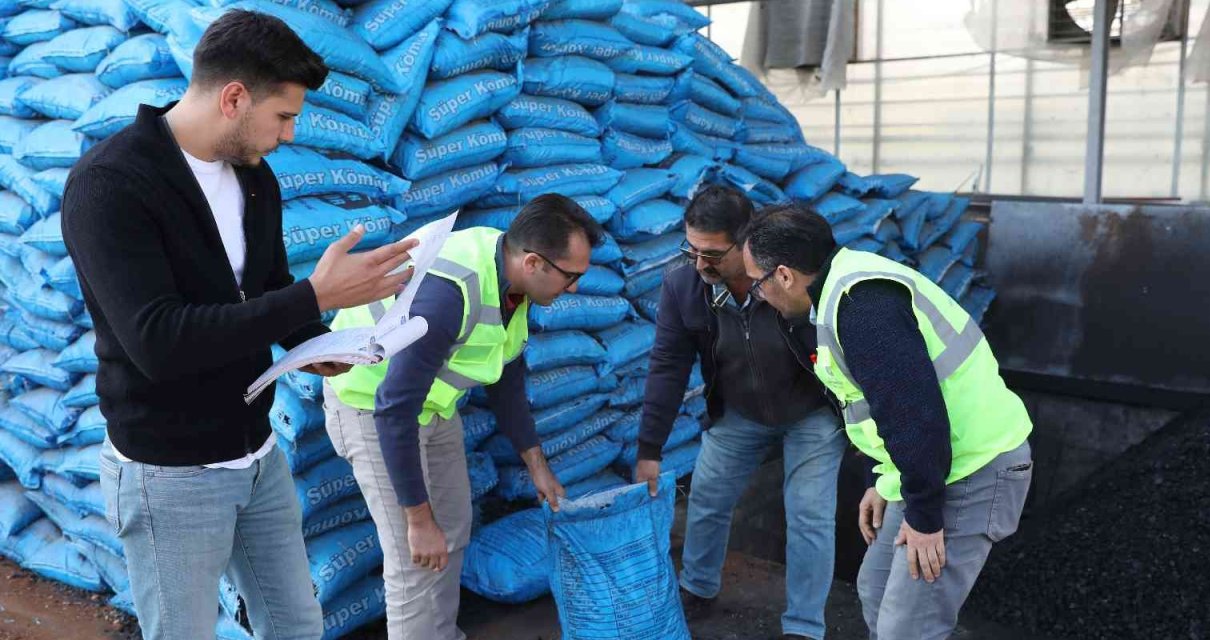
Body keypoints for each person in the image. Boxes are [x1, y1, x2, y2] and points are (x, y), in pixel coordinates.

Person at [60, 10, 419, 640]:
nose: (289, 134)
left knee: (298, 626)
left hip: (257, 454)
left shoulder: (254, 179)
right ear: (233, 98)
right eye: (283, 116)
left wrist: (316, 342)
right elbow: (159, 343)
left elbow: (268, 288)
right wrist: (314, 294)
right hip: (169, 472)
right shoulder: (110, 185)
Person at [739, 204, 1034, 640]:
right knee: (875, 589)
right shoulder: (837, 293)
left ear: (783, 275)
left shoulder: (862, 308)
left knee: (907, 627)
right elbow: (879, 408)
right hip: (935, 465)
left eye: (757, 283)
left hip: (973, 468)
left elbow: (913, 415)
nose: (758, 295)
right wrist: (884, 480)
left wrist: (925, 517)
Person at [323, 194, 602, 640]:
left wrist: (536, 464)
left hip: (432, 404)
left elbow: (506, 375)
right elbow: (394, 408)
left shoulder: (514, 279)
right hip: (372, 406)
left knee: (452, 531)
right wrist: (418, 519)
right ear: (533, 262)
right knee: (415, 556)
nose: (574, 289)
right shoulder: (449, 294)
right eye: (571, 277)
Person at [634, 186, 845, 640]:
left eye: (712, 254)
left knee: (809, 514)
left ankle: (804, 625)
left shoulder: (788, 278)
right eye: (691, 250)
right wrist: (650, 448)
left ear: (747, 240)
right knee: (707, 498)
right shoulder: (684, 287)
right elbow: (668, 365)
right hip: (740, 412)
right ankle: (697, 588)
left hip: (810, 411)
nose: (699, 264)